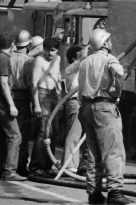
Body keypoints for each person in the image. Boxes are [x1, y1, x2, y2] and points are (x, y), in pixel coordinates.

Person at [78, 29, 132, 204]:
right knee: (113, 151)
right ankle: (115, 192)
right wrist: (116, 90)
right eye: (108, 39)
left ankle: (93, 193)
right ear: (105, 43)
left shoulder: (85, 62)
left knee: (93, 153)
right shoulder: (109, 59)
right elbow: (119, 73)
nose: (111, 42)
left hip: (87, 107)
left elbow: (80, 89)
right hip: (105, 107)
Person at [0, 33, 26, 181]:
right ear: (12, 45)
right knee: (15, 135)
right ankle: (10, 171)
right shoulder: (5, 59)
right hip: (2, 101)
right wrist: (11, 105)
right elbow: (4, 83)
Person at [29, 37, 62, 178]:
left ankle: (47, 165)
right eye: (48, 50)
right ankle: (36, 165)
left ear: (57, 50)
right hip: (42, 95)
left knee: (53, 132)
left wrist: (60, 90)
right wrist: (36, 104)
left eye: (53, 50)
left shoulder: (58, 59)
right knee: (44, 131)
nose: (50, 53)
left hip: (54, 95)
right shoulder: (39, 60)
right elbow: (33, 82)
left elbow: (58, 74)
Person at [10, 30, 35, 177]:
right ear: (29, 43)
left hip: (7, 97)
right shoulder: (29, 61)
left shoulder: (8, 57)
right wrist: (34, 102)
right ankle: (20, 165)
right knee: (21, 133)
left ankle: (4, 164)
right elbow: (31, 84)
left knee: (7, 133)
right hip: (23, 98)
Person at [61, 45, 89, 176]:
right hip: (74, 102)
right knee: (74, 134)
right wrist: (90, 44)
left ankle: (72, 164)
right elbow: (84, 57)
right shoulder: (71, 69)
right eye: (78, 56)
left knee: (83, 135)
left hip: (82, 102)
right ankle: (69, 165)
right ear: (73, 58)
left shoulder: (82, 69)